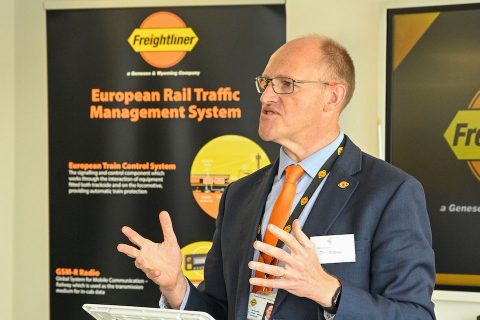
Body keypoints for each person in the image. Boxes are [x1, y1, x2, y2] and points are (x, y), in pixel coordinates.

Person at [117, 35, 436, 320]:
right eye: (265, 83)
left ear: (332, 97)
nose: (266, 96)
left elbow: (415, 314)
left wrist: (330, 292)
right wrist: (176, 287)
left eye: (286, 84)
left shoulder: (390, 192)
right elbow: (220, 309)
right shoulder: (239, 195)